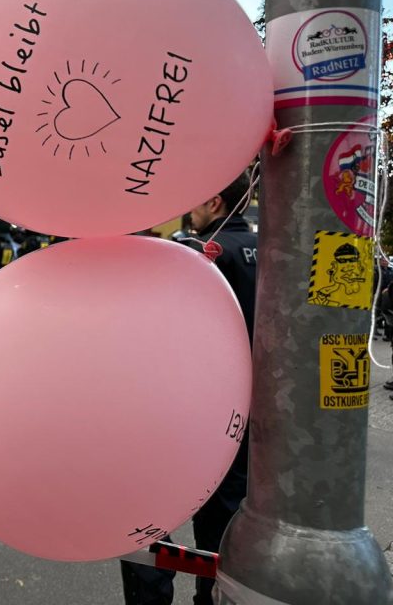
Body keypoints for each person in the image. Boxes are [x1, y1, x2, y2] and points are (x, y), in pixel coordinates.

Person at [119, 171, 257, 605]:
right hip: (251, 403)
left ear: (215, 203)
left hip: (196, 400)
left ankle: (151, 597)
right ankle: (211, 597)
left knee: (147, 506)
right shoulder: (267, 247)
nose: (189, 211)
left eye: (196, 202)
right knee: (225, 512)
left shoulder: (202, 253)